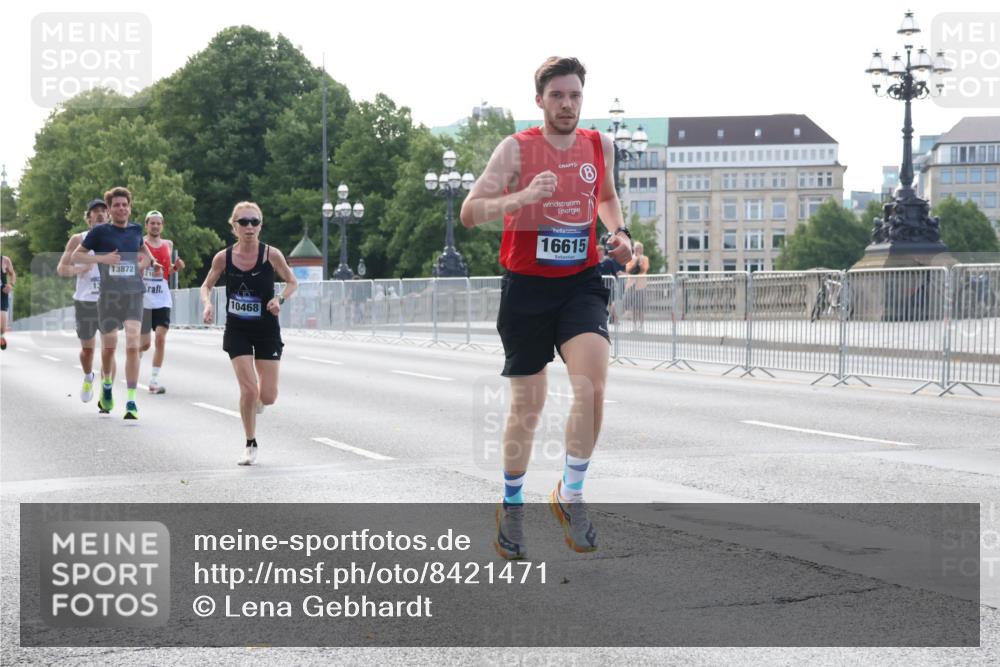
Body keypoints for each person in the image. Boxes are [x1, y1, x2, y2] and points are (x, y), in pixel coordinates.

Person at [460, 56, 633, 559]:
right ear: (540, 100)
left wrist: (618, 235)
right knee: (528, 407)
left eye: (575, 95)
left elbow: (606, 196)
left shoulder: (599, 145)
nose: (567, 104)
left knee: (594, 384)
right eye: (557, 95)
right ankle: (512, 502)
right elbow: (471, 212)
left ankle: (570, 493)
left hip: (580, 283)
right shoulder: (516, 149)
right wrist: (520, 199)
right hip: (527, 289)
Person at [200, 202, 297, 466]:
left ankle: (257, 404)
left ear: (261, 225)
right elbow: (206, 285)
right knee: (249, 389)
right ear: (234, 226)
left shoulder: (271, 255)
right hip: (238, 329)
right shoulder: (223, 257)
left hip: (266, 327)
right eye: (243, 222)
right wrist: (208, 304)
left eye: (254, 222)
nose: (250, 227)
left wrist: (280, 300)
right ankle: (250, 443)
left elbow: (292, 282)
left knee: (268, 396)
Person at [71, 186, 158, 420]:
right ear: (109, 210)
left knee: (132, 343)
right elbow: (76, 256)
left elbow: (146, 254)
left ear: (129, 208)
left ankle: (131, 401)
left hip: (133, 294)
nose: (121, 208)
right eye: (116, 205)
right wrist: (102, 258)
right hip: (109, 296)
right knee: (109, 349)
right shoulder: (100, 232)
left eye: (125, 205)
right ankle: (107, 384)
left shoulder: (136, 229)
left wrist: (144, 263)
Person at [56, 198, 116, 405]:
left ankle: (107, 388)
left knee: (109, 348)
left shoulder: (116, 238)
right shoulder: (77, 239)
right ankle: (89, 376)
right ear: (88, 217)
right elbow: (61, 268)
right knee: (87, 350)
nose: (99, 214)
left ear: (108, 215)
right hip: (85, 302)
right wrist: (78, 269)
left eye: (103, 210)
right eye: (94, 211)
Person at [140, 210, 185, 393]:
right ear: (147, 225)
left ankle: (154, 380)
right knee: (144, 344)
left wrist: (176, 268)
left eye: (159, 223)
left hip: (162, 299)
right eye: (152, 223)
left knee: (160, 338)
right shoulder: (140, 244)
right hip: (143, 300)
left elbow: (166, 272)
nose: (156, 226)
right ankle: (136, 357)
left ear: (162, 225)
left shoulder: (168, 244)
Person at [624, 241, 650, 331]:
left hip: (641, 286)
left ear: (642, 250)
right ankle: (634, 326)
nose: (637, 250)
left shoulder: (645, 259)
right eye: (636, 248)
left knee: (641, 308)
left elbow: (644, 270)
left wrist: (640, 262)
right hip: (631, 286)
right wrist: (635, 262)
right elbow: (628, 270)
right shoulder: (630, 259)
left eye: (639, 248)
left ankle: (641, 326)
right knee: (634, 308)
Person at [0, 254, 15, 350]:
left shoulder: (5, 260)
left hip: (2, 294)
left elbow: (12, 274)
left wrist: (11, 284)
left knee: (2, 329)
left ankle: (1, 336)